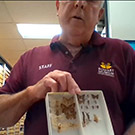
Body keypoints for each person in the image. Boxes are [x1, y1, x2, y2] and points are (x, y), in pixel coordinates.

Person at [0, 1, 135, 135]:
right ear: (58, 6)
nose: (80, 3)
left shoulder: (123, 54)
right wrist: (32, 93)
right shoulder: (29, 59)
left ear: (99, 15)